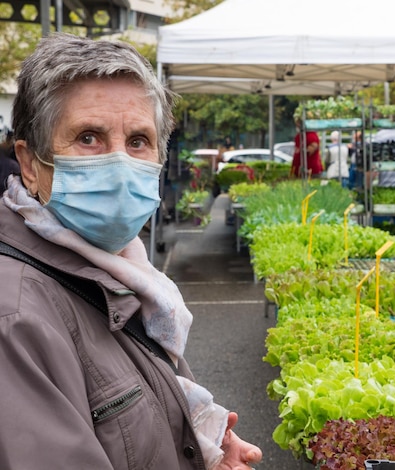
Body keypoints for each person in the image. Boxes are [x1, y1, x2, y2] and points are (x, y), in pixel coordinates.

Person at [0, 33, 262, 470]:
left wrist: (199, 442)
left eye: (138, 141)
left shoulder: (116, 269)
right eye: (88, 137)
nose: (120, 165)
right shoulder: (17, 317)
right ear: (29, 164)